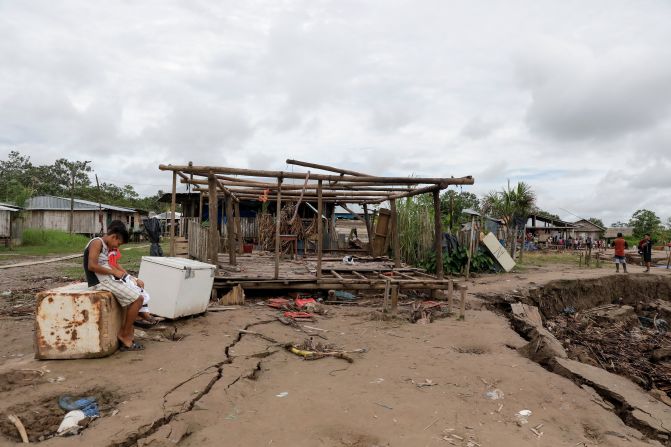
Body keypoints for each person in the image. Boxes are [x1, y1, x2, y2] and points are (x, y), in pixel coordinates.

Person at [83, 220, 144, 351]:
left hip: (108, 279)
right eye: (119, 243)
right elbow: (92, 266)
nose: (118, 247)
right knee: (138, 299)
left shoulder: (107, 247)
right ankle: (124, 334)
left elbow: (115, 264)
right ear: (114, 236)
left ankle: (139, 320)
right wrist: (113, 272)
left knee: (138, 289)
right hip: (100, 282)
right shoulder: (97, 243)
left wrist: (132, 278)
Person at [108, 247, 156, 325]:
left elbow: (116, 264)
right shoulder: (104, 249)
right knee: (134, 287)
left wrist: (130, 276)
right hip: (111, 276)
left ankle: (140, 312)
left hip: (118, 274)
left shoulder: (114, 248)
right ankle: (138, 315)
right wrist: (125, 277)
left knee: (140, 283)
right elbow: (109, 267)